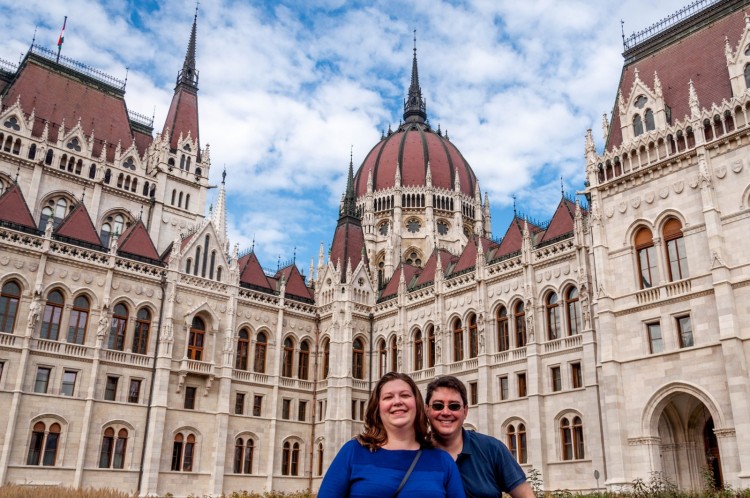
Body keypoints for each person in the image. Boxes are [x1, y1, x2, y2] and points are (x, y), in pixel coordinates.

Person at [318, 371, 466, 498]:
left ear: (418, 404)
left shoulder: (442, 461)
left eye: (405, 395)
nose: (397, 402)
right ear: (377, 407)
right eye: (388, 397)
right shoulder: (353, 452)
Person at [426, 375, 536, 498]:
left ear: (465, 411)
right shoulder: (415, 455)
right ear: (426, 410)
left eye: (454, 406)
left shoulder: (492, 449)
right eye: (438, 406)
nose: (446, 412)